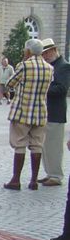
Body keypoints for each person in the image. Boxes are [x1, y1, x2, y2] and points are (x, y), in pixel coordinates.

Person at [4, 38, 52, 191]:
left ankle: (16, 179)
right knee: (37, 145)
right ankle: (33, 181)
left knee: (19, 144)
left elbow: (9, 83)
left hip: (23, 111)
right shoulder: (49, 68)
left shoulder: (24, 66)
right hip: (40, 111)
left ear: (28, 51)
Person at [40, 38, 70, 186]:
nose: (45, 56)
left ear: (53, 51)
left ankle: (56, 175)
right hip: (46, 110)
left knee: (54, 146)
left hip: (56, 111)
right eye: (43, 53)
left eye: (46, 53)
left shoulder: (63, 66)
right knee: (45, 145)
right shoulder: (50, 66)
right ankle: (49, 172)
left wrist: (43, 89)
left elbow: (62, 89)